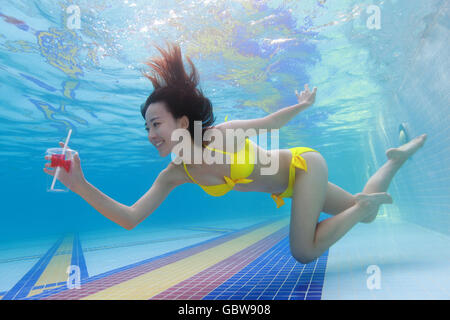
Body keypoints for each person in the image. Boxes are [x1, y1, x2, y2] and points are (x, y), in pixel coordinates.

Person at [44, 43, 427, 264]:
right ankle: (395, 160)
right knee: (369, 216)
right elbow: (130, 218)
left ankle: (362, 205)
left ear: (180, 121)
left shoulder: (218, 137)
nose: (150, 134)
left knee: (304, 250)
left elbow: (270, 124)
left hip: (304, 166)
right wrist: (79, 185)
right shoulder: (174, 175)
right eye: (146, 127)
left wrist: (302, 105)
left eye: (156, 123)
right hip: (292, 187)